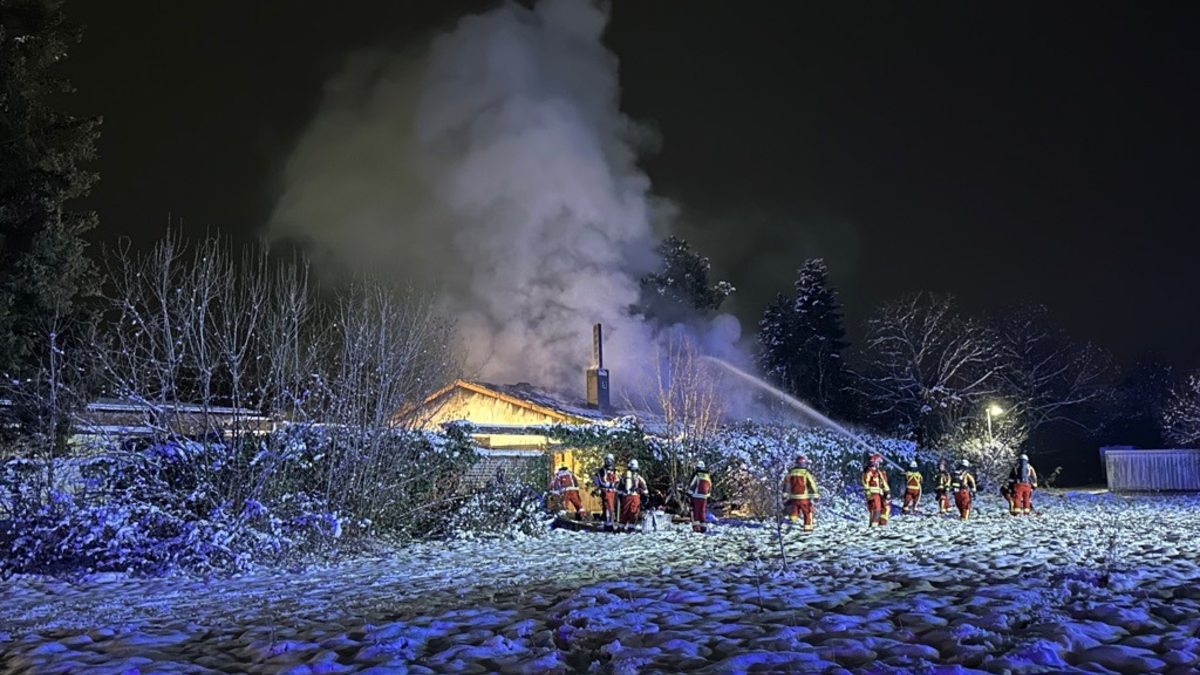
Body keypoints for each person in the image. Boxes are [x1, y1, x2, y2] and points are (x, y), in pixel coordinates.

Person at [782, 454, 819, 532]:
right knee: (808, 512)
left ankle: (792, 525)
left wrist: (785, 495)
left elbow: (786, 485)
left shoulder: (790, 473)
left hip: (793, 498)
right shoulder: (806, 473)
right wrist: (815, 495)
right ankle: (807, 529)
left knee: (794, 512)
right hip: (804, 498)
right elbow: (812, 484)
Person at [618, 458, 648, 533]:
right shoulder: (637, 477)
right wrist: (645, 494)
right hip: (633, 497)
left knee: (627, 512)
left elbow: (620, 488)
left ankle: (622, 527)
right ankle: (629, 528)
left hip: (628, 496)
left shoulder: (624, 477)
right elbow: (644, 487)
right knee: (632, 512)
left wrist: (620, 495)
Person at [862, 454, 890, 527]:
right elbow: (865, 482)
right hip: (873, 494)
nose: (879, 464)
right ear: (874, 462)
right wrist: (868, 493)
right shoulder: (868, 472)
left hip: (880, 494)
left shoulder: (878, 472)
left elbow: (883, 482)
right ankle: (874, 526)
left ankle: (882, 524)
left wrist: (887, 491)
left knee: (886, 507)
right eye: (878, 462)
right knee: (876, 509)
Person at [593, 454, 620, 529]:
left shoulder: (614, 471)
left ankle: (610, 523)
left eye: (610, 461)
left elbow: (617, 480)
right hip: (606, 491)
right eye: (607, 460)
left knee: (612, 508)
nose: (609, 462)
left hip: (614, 492)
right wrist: (612, 485)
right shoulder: (602, 471)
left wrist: (616, 486)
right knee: (608, 507)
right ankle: (608, 524)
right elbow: (602, 482)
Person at [686, 460, 713, 533]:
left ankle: (696, 528)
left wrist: (688, 493)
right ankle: (703, 527)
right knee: (702, 512)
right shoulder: (707, 476)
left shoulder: (697, 475)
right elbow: (710, 487)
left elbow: (693, 485)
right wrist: (707, 495)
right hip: (704, 497)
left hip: (696, 496)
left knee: (696, 511)